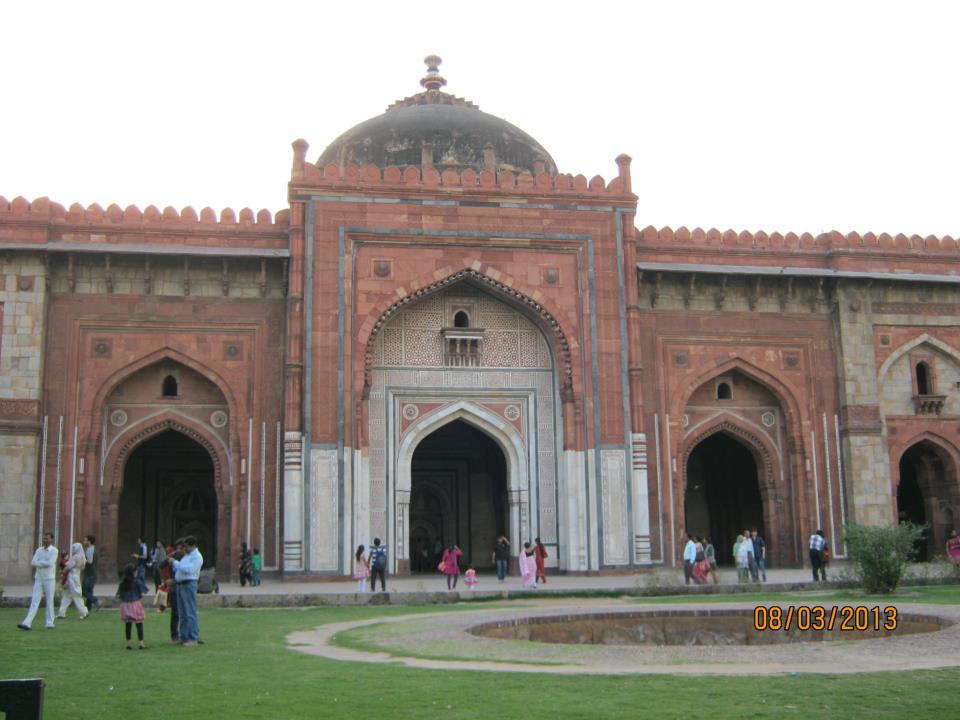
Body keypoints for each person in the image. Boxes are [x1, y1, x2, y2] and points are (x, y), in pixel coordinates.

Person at [18, 532, 59, 630]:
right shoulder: (39, 550)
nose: (45, 540)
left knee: (49, 600)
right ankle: (27, 623)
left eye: (47, 539)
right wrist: (41, 563)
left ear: (51, 540)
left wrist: (39, 563)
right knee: (35, 600)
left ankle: (49, 623)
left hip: (49, 579)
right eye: (44, 538)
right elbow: (33, 562)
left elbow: (50, 563)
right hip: (39, 578)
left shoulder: (54, 551)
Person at [169, 535, 203, 646]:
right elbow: (181, 568)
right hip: (180, 585)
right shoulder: (186, 556)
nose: (185, 549)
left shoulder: (197, 557)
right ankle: (184, 637)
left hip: (189, 585)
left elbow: (189, 570)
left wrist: (175, 563)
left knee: (190, 612)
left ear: (193, 545)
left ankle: (193, 638)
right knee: (182, 613)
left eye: (186, 546)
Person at [114, 563, 146, 649]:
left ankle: (129, 643)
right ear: (133, 572)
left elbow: (118, 595)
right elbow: (142, 592)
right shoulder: (137, 582)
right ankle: (141, 643)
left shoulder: (122, 583)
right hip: (135, 604)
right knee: (139, 624)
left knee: (128, 624)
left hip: (125, 605)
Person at [58, 542, 89, 620]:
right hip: (76, 575)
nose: (73, 549)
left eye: (74, 548)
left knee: (76, 594)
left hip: (72, 576)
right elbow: (82, 567)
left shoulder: (75, 557)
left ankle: (83, 612)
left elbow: (69, 566)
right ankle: (61, 613)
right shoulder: (83, 557)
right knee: (67, 595)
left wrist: (63, 570)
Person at [82, 534, 100, 611]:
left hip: (89, 574)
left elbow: (90, 562)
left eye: (85, 540)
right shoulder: (93, 549)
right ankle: (88, 608)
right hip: (92, 573)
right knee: (89, 591)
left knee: (84, 591)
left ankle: (96, 601)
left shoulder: (89, 549)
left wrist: (82, 560)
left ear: (89, 541)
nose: (84, 541)